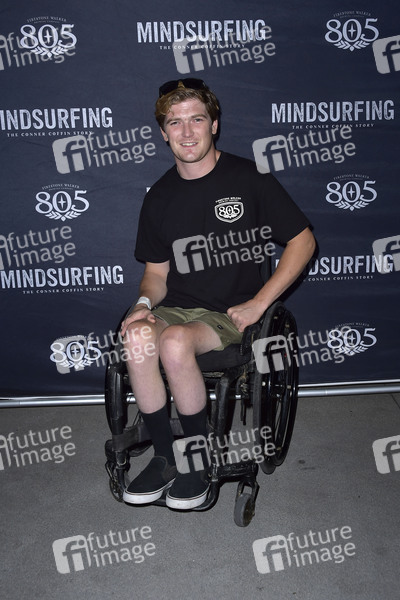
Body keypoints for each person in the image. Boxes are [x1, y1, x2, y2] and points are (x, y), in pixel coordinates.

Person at [120, 78, 315, 510]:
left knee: (174, 343)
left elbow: (303, 242)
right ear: (163, 132)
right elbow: (156, 273)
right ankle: (165, 457)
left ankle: (197, 459)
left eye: (197, 119)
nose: (187, 132)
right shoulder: (159, 196)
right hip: (176, 307)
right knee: (137, 337)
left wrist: (260, 303)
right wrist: (143, 305)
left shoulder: (250, 178)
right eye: (175, 122)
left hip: (229, 313)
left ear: (214, 125)